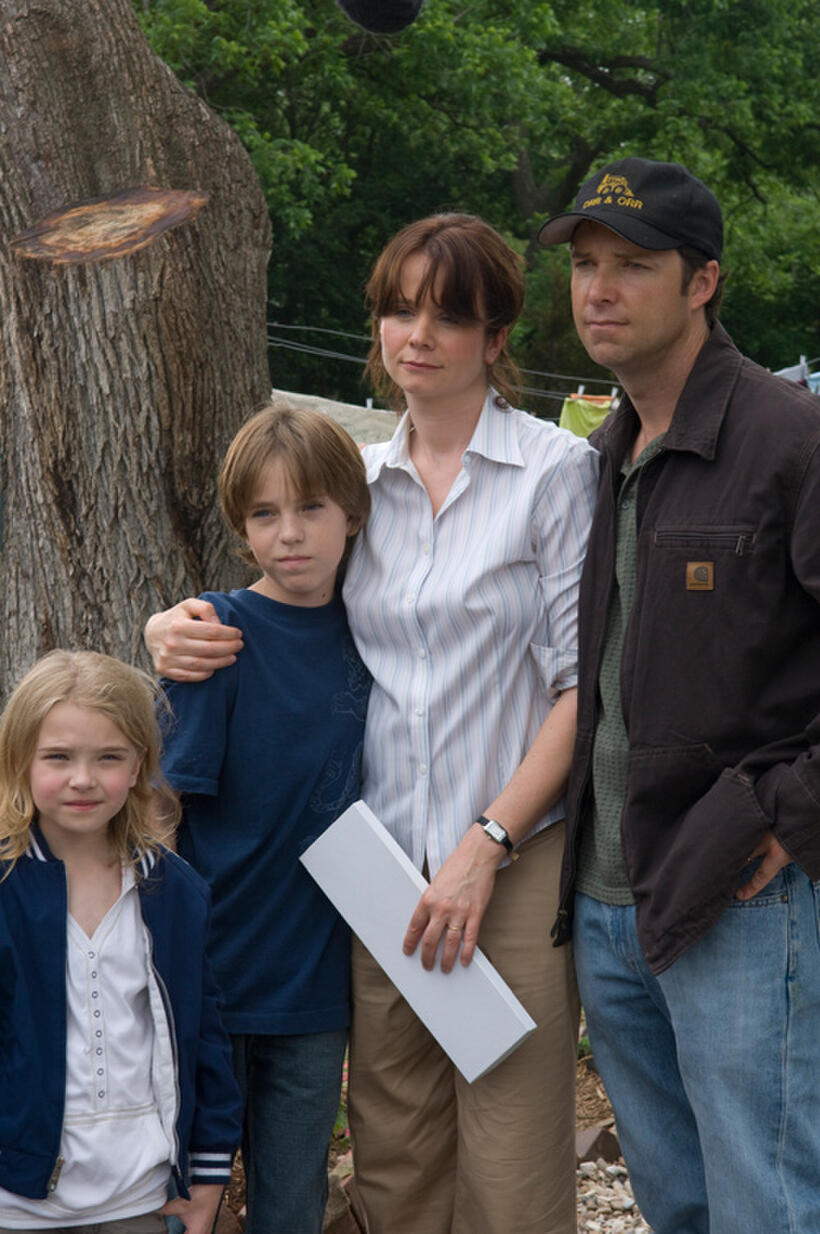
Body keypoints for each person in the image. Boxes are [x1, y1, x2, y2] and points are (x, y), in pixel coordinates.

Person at [146, 212, 599, 1234]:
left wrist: (488, 843)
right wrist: (171, 625)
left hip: (511, 858)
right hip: (378, 871)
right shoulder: (358, 482)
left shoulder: (552, 474)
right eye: (399, 309)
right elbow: (279, 592)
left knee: (513, 1169)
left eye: (448, 314)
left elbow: (583, 688)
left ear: (495, 335)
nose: (417, 334)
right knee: (394, 1160)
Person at [539, 156, 820, 1233]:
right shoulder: (606, 450)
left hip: (744, 902)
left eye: (632, 266)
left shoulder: (786, 438)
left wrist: (793, 817)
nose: (597, 290)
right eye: (584, 264)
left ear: (702, 281)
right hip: (613, 905)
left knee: (771, 1204)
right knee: (679, 1204)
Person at [157, 405, 372, 1234]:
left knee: (291, 1204)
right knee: (182, 1203)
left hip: (315, 991)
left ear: (351, 514)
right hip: (209, 980)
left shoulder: (377, 633)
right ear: (241, 527)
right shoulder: (216, 638)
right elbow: (165, 814)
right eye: (265, 514)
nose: (291, 534)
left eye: (312, 507)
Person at [0, 650, 242, 1234]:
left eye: (109, 757)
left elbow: (203, 1038)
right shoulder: (6, 887)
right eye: (58, 757)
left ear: (138, 766)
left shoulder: (173, 890)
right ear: (20, 762)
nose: (84, 779)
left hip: (141, 1196)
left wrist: (208, 1180)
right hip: (17, 1198)